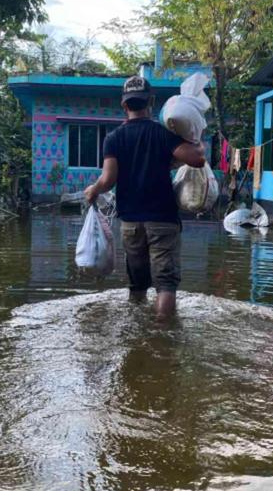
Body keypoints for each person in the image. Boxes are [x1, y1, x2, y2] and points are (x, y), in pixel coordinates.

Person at [84, 75, 206, 318]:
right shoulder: (161, 134)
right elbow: (197, 159)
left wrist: (92, 190)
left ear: (124, 105)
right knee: (165, 285)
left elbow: (108, 180)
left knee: (137, 285)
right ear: (151, 102)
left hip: (130, 222)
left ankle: (138, 334)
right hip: (162, 219)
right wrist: (197, 142)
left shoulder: (114, 138)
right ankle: (162, 338)